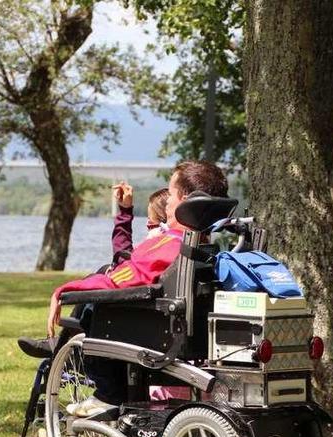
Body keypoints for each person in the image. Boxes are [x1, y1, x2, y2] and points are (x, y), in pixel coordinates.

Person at [52, 160, 228, 416]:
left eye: (171, 194)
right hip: (191, 338)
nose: (167, 201)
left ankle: (108, 394)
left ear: (186, 200)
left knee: (92, 304)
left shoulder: (166, 246)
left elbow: (115, 282)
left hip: (150, 336)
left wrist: (64, 291)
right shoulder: (206, 249)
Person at [17, 184, 173, 359]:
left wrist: (66, 290)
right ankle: (63, 342)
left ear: (164, 223)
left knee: (100, 275)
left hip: (137, 317)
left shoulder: (164, 246)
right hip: (154, 314)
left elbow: (123, 269)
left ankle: (64, 345)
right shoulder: (178, 245)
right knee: (104, 271)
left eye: (150, 225)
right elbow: (126, 259)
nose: (147, 227)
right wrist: (125, 211)